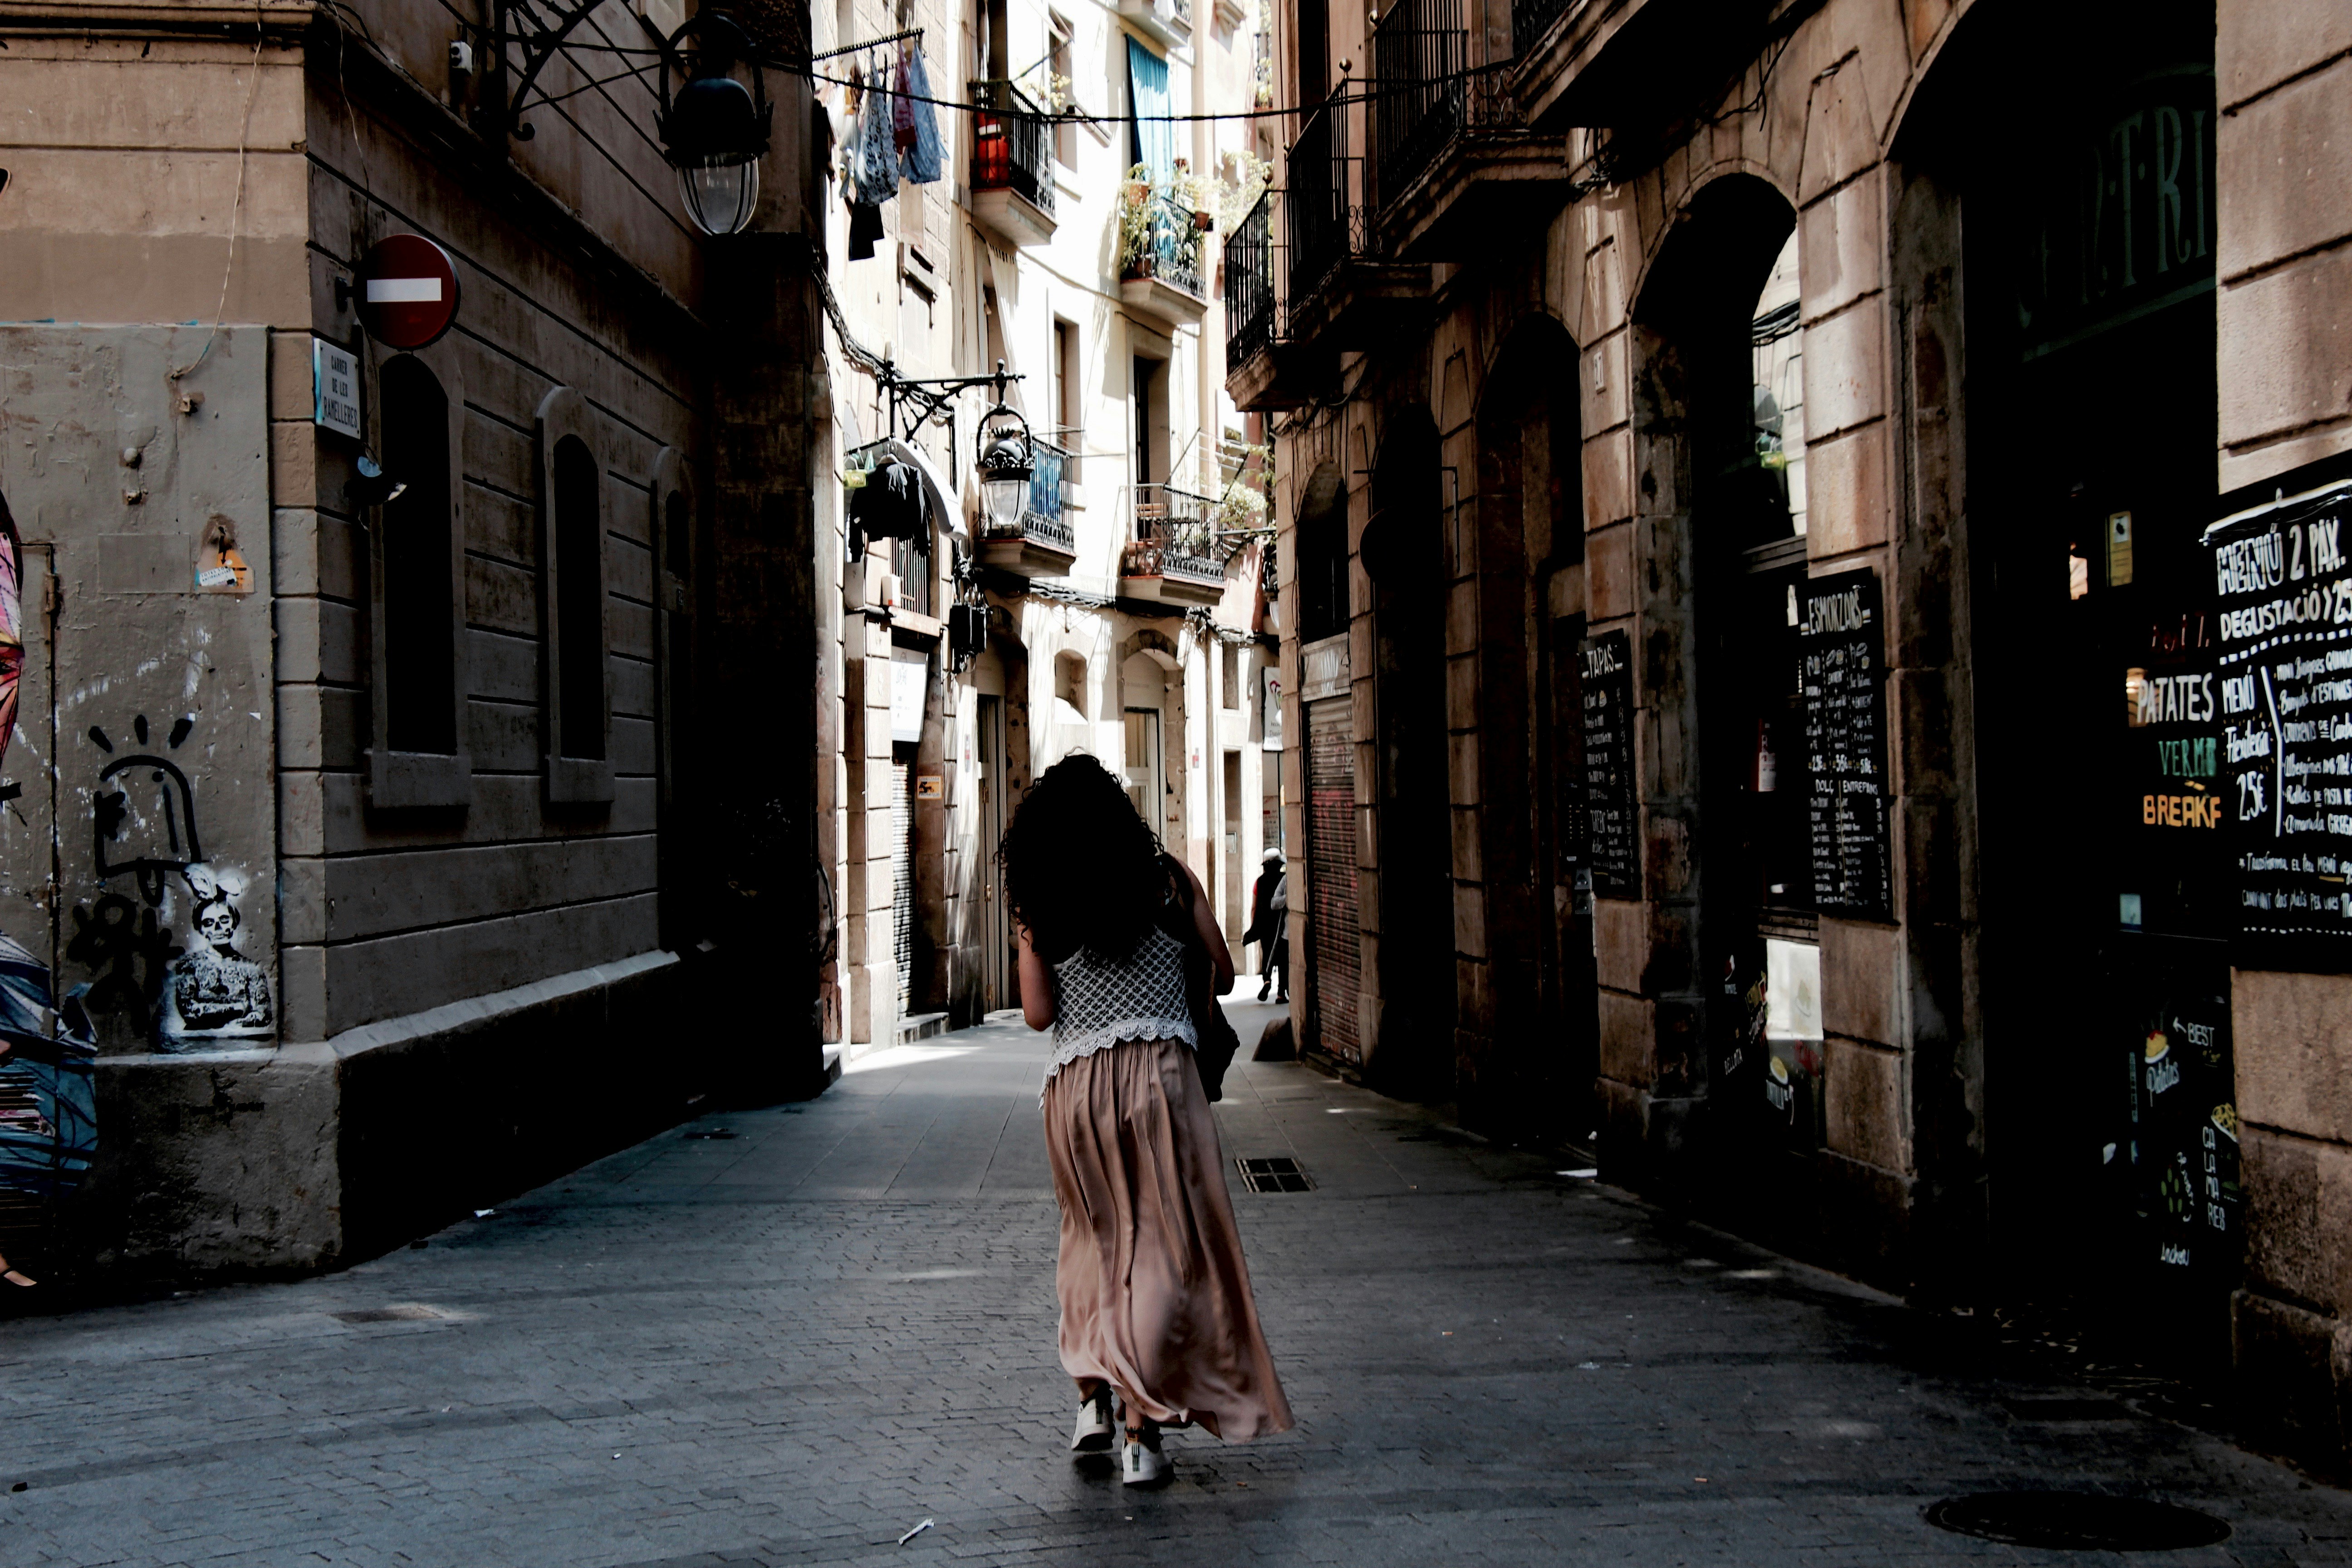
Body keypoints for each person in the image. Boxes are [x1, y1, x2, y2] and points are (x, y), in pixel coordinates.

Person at [999, 755, 1293, 1486]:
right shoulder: (1168, 879)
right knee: (1163, 1249)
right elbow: (1225, 973)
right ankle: (1140, 1431)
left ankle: (1092, 1397)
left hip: (1076, 1094)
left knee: (1092, 1241)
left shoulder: (1040, 900)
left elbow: (1038, 1015)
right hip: (1163, 1082)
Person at [1242, 849, 1288, 1000]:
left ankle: (1267, 980)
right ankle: (1281, 994)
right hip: (1281, 925)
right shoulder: (1284, 879)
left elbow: (1254, 907)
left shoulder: (1259, 882)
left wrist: (1254, 926)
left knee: (1267, 953)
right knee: (1282, 958)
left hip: (1264, 926)